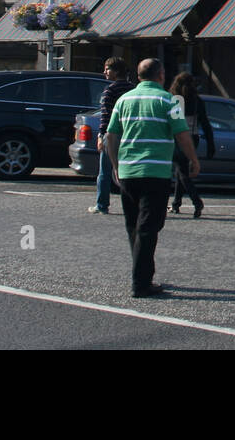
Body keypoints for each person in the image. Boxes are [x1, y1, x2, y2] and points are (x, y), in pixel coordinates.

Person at [105, 58, 199, 298]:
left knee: (133, 225)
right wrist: (193, 160)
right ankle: (141, 283)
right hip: (155, 171)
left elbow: (111, 136)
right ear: (161, 75)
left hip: (128, 170)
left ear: (138, 77)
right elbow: (182, 134)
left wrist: (115, 165)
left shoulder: (123, 100)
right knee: (149, 226)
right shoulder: (169, 101)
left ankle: (142, 272)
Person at [88, 58, 134, 214]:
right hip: (130, 134)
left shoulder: (110, 90)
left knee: (105, 171)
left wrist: (101, 136)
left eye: (107, 69)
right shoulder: (133, 89)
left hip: (113, 134)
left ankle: (102, 204)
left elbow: (105, 116)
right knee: (129, 172)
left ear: (116, 71)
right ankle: (132, 203)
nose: (104, 72)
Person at [168, 71, 215, 218]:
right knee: (180, 171)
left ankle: (197, 201)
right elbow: (206, 124)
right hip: (193, 137)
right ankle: (176, 203)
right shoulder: (197, 101)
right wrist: (210, 144)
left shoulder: (176, 100)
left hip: (179, 138)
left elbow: (174, 124)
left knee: (182, 172)